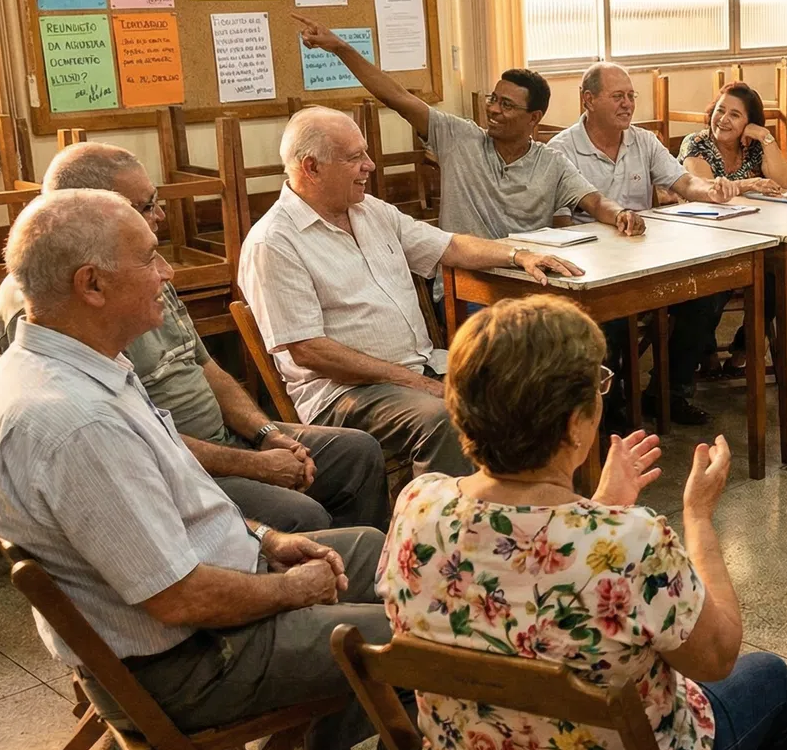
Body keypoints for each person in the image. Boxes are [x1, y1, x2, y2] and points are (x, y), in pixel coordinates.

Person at [0, 189, 420, 750]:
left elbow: (180, 504)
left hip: (190, 618)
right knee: (420, 641)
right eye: (149, 258)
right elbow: (179, 598)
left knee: (373, 553)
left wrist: (268, 538)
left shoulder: (69, 364)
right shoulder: (76, 422)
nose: (167, 272)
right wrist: (290, 590)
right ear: (91, 284)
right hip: (185, 664)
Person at [378, 295, 787, 750]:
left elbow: (519, 581)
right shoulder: (632, 542)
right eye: (598, 387)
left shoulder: (418, 506)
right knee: (771, 680)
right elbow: (717, 658)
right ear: (576, 425)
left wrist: (598, 508)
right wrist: (697, 517)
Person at [0, 142, 387, 533]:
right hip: (168, 470)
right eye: (146, 206)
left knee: (357, 453)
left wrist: (265, 434)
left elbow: (204, 366)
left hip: (225, 444)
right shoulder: (59, 305)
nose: (160, 215)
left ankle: (347, 561)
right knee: (302, 514)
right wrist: (253, 465)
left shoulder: (140, 270)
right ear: (92, 213)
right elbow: (137, 438)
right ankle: (316, 564)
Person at [238, 107, 578, 481]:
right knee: (444, 418)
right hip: (344, 395)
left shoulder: (370, 211)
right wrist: (413, 381)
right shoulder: (274, 242)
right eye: (354, 157)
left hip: (420, 366)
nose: (370, 165)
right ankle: (435, 517)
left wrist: (518, 254)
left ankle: (527, 507)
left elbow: (450, 246)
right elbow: (310, 351)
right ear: (311, 168)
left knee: (536, 380)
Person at [292, 14, 646, 241]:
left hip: (529, 278)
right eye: (493, 99)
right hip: (467, 282)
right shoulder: (458, 138)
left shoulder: (551, 162)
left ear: (533, 118)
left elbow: (594, 200)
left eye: (507, 105)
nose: (493, 110)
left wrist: (620, 215)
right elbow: (396, 96)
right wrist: (341, 48)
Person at [549, 62, 741, 425]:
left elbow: (684, 182)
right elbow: (559, 222)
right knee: (611, 318)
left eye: (631, 96)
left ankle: (669, 392)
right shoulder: (562, 150)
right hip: (594, 265)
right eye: (617, 96)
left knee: (708, 292)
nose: (627, 104)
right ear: (588, 100)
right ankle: (610, 409)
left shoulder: (642, 140)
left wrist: (711, 191)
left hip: (646, 257)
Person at [681, 81, 787, 377]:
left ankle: (745, 346)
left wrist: (765, 137)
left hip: (750, 237)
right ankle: (704, 350)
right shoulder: (696, 143)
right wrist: (751, 183)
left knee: (776, 280)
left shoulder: (753, 147)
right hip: (703, 240)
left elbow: (785, 181)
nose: (723, 119)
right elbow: (706, 188)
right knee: (713, 290)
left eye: (735, 115)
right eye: (720, 111)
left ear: (749, 122)